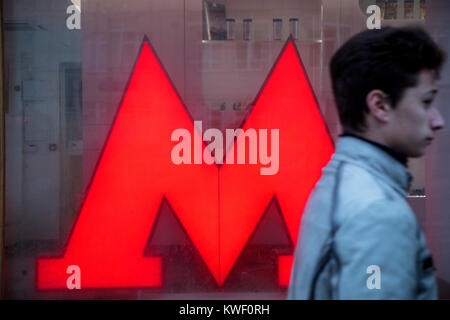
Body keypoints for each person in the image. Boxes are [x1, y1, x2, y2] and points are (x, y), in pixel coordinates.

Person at [288, 26, 446, 299]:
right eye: (426, 102)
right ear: (380, 106)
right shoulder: (377, 213)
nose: (438, 120)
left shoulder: (337, 182)